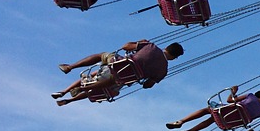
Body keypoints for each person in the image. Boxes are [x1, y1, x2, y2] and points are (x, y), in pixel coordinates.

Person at [53, 40, 183, 105]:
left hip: (116, 65)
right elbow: (147, 85)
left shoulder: (151, 46)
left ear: (167, 47)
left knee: (102, 55)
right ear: (174, 57)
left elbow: (125, 46)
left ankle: (70, 67)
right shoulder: (163, 71)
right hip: (123, 80)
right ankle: (70, 99)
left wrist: (139, 43)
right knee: (107, 87)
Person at [167, 86, 260, 131]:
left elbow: (229, 100)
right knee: (212, 119)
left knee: (207, 110)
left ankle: (181, 121)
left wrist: (233, 91)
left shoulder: (250, 96)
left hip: (224, 112)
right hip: (227, 123)